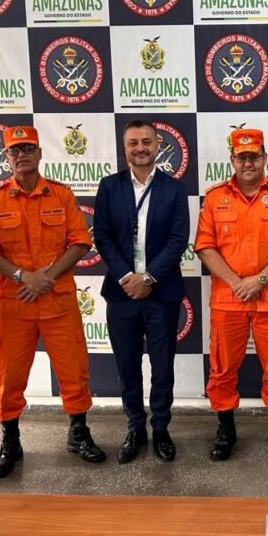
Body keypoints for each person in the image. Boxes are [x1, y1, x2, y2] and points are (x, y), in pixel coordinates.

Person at [0, 125, 104, 477]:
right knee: (8, 378)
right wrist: (23, 276)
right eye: (14, 150)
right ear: (6, 157)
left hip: (58, 301)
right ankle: (10, 441)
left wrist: (46, 277)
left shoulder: (61, 195)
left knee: (74, 372)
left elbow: (80, 241)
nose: (22, 155)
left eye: (28, 148)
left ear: (40, 153)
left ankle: (78, 434)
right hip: (16, 304)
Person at [194, 128, 268, 461]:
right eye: (241, 157)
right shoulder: (215, 197)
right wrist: (236, 282)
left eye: (254, 156)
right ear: (232, 160)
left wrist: (259, 279)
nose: (248, 163)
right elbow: (204, 246)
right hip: (228, 300)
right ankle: (225, 429)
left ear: (264, 158)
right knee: (222, 369)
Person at [93, 119, 189, 464]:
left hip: (161, 293)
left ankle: (161, 428)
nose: (140, 148)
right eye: (133, 142)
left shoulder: (174, 189)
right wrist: (126, 277)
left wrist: (147, 278)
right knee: (128, 365)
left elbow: (178, 240)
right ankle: (135, 427)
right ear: (125, 148)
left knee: (162, 367)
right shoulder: (109, 186)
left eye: (146, 141)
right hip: (121, 294)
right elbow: (102, 236)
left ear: (158, 144)